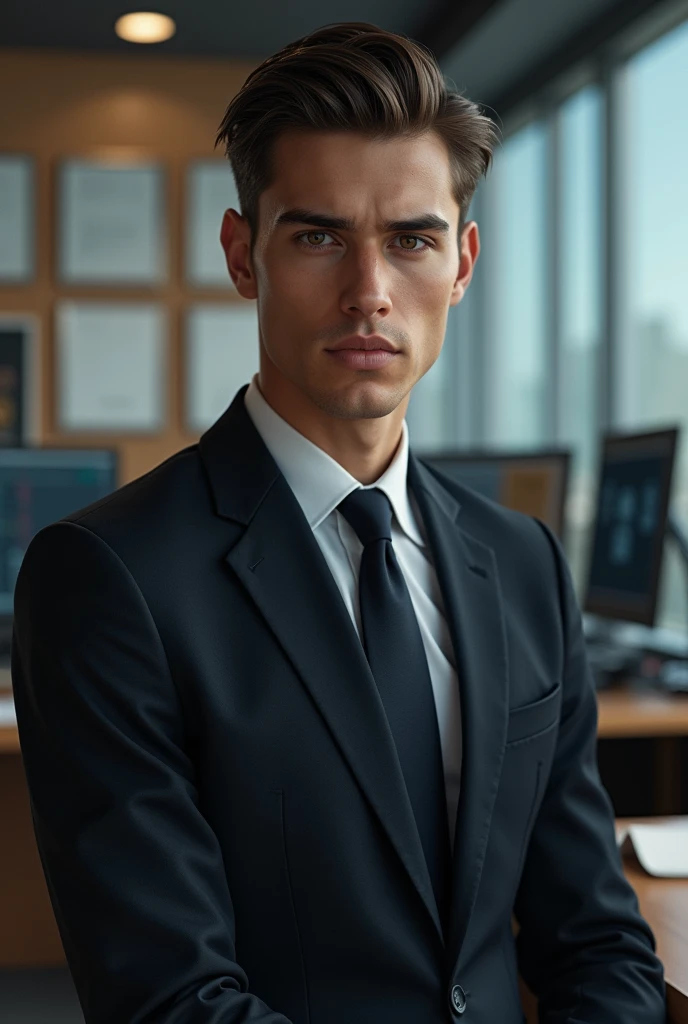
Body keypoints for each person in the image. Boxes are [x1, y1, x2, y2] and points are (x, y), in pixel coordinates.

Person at [12, 21, 665, 1024]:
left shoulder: (521, 559)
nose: (368, 293)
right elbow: (172, 1000)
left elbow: (596, 936)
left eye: (412, 239)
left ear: (462, 263)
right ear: (242, 255)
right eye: (318, 236)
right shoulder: (107, 577)